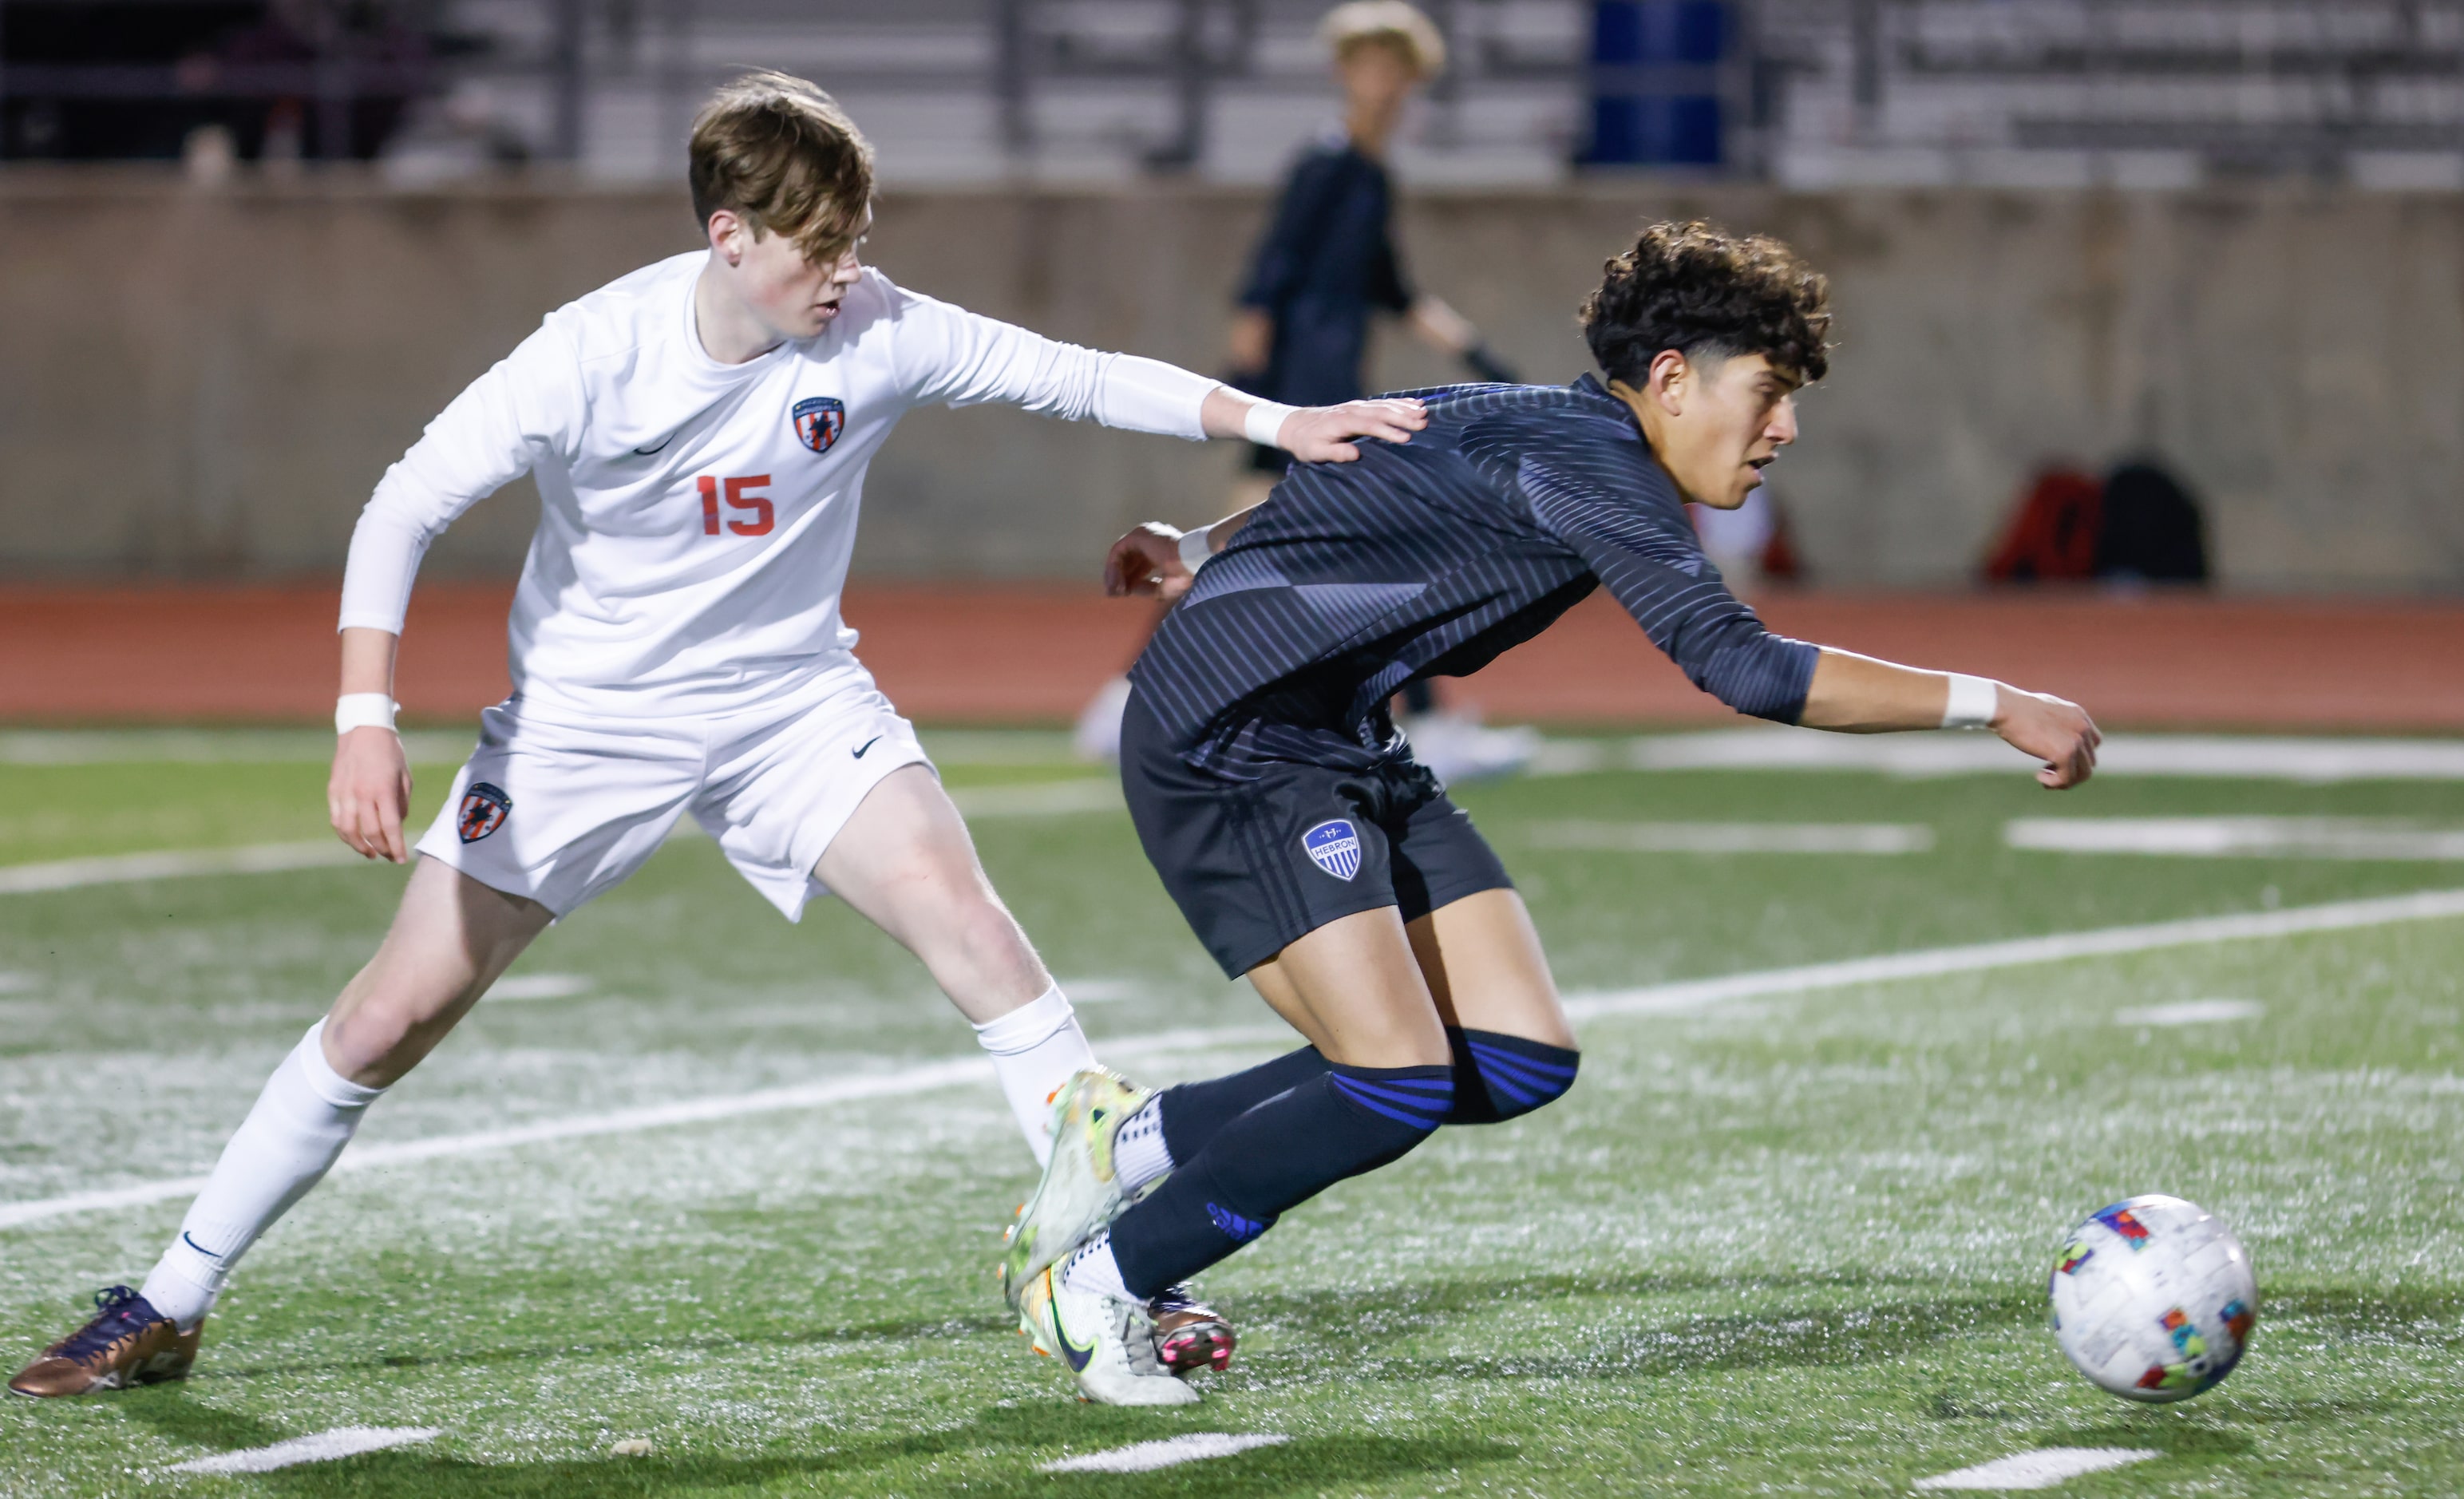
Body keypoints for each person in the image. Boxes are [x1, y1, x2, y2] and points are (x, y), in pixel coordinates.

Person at [7, 70, 1425, 1402]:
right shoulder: (593, 351)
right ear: (728, 234)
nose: (846, 273)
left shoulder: (873, 325)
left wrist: (1281, 420)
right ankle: (171, 1295)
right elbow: (401, 506)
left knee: (977, 932)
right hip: (582, 727)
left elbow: (1071, 371)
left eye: (857, 242)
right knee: (389, 1015)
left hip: (790, 706)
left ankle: (1117, 1270)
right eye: (818, 247)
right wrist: (362, 719)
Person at [998, 220, 2101, 1406]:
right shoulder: (1592, 464)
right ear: (1670, 379)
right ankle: (1099, 1282)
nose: (1783, 427)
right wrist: (1996, 704)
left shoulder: (1534, 417)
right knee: (1391, 1078)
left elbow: (1369, 458)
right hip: (1230, 741)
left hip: (1336, 733)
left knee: (1516, 1056)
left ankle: (1132, 1136)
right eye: (1767, 392)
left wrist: (1196, 541)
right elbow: (1745, 669)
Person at [1073, 0, 1530, 776]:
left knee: (1254, 555)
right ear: (1343, 75)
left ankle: (1124, 700)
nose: (1381, 84)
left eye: (1395, 69)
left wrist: (1485, 359)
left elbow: (1395, 289)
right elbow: (1267, 280)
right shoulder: (1325, 167)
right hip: (1301, 401)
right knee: (1360, 549)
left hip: (1330, 393)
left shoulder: (1371, 177)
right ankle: (1429, 732)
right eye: (1367, 66)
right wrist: (1251, 406)